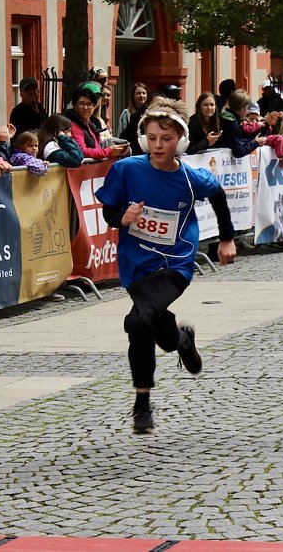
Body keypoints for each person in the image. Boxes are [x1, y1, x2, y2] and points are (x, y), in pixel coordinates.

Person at [94, 99, 237, 433]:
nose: (158, 145)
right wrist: (122, 217)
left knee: (137, 320)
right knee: (152, 321)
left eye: (166, 138)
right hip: (136, 265)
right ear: (143, 138)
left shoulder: (190, 177)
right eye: (152, 137)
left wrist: (227, 239)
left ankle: (142, 402)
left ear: (181, 141)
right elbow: (109, 211)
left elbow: (218, 196)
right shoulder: (127, 170)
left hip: (175, 262)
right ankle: (180, 340)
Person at [66, 82, 128, 161]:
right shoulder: (73, 126)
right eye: (81, 103)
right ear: (75, 106)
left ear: (94, 106)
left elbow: (97, 148)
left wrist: (115, 152)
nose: (85, 107)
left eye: (89, 104)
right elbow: (83, 151)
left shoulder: (92, 125)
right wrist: (109, 151)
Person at [219, 89, 275, 158]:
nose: (247, 111)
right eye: (247, 108)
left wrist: (265, 125)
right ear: (242, 107)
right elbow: (239, 151)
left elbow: (244, 138)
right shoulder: (231, 124)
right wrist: (256, 143)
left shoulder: (231, 120)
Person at [243, 102, 283, 168]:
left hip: (262, 139)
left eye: (255, 113)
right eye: (252, 113)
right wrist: (262, 123)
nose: (254, 115)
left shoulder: (259, 120)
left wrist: (269, 125)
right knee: (278, 138)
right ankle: (282, 160)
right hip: (255, 141)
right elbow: (248, 130)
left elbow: (268, 132)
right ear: (248, 114)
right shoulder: (245, 122)